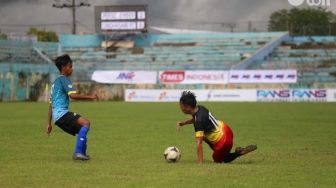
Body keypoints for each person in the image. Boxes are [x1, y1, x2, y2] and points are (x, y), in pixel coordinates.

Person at [176, 91, 257, 164]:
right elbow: (197, 119)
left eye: (181, 106)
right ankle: (223, 152)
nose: (180, 108)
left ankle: (239, 152)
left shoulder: (198, 122)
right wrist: (184, 123)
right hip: (226, 129)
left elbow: (199, 143)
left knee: (218, 160)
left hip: (223, 142)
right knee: (204, 136)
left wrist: (200, 162)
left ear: (188, 107)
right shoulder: (200, 108)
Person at [46, 54, 98, 160]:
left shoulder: (55, 83)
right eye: (70, 66)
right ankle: (78, 153)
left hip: (57, 118)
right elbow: (73, 96)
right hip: (62, 115)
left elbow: (51, 105)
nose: (71, 69)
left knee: (82, 130)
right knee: (86, 123)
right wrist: (90, 97)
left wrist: (49, 123)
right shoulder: (64, 80)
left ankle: (82, 154)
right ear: (64, 67)